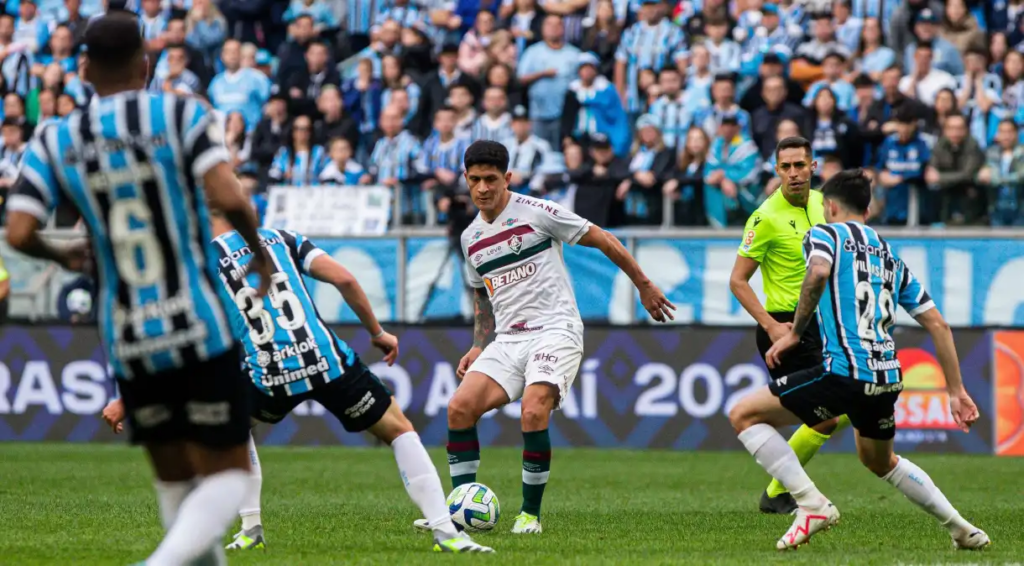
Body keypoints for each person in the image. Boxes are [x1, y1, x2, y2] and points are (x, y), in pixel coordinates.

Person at [5, 12, 271, 566]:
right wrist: (262, 257)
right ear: (145, 64)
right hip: (198, 320)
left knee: (174, 480)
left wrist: (67, 252)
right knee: (226, 470)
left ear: (81, 69)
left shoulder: (56, 138)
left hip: (126, 332)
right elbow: (232, 196)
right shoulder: (179, 114)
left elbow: (19, 231)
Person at [104, 212, 495, 555]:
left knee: (236, 428)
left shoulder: (201, 266)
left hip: (270, 372)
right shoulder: (281, 238)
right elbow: (343, 277)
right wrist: (376, 332)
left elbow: (183, 339)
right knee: (398, 429)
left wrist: (129, 399)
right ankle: (446, 532)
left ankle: (251, 528)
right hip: (326, 359)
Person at [411, 140, 675, 535]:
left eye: (491, 179)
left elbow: (602, 238)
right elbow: (482, 295)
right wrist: (479, 344)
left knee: (533, 410)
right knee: (459, 408)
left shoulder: (538, 213)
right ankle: (461, 511)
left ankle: (529, 515)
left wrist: (644, 285)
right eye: (475, 180)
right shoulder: (470, 239)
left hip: (557, 329)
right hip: (508, 340)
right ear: (465, 179)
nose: (483, 188)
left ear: (508, 179)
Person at [729, 168, 990, 551]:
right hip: (886, 377)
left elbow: (817, 272)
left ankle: (811, 503)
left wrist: (796, 334)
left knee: (743, 415)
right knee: (879, 461)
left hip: (845, 372)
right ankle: (962, 529)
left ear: (829, 206)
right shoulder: (888, 255)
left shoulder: (824, 233)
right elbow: (938, 323)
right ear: (868, 211)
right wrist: (956, 390)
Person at [728, 136, 849, 515]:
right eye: (786, 167)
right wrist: (771, 325)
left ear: (814, 167)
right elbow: (737, 280)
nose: (794, 173)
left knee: (833, 412)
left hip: (822, 325)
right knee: (829, 413)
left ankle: (781, 491)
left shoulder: (823, 203)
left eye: (801, 165)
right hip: (783, 328)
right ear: (777, 170)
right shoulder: (765, 218)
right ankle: (781, 492)